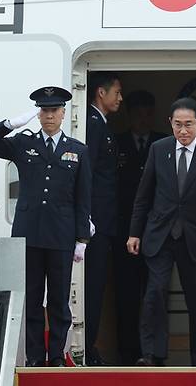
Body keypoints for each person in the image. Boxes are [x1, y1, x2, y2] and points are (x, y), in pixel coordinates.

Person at [0, 86, 92, 367]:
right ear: (38, 113)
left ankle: (56, 357)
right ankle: (35, 357)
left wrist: (82, 239)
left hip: (62, 234)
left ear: (64, 113)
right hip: (29, 233)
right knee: (33, 299)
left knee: (59, 302)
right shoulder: (22, 143)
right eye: (44, 110)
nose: (49, 115)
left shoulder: (77, 150)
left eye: (54, 110)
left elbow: (83, 197)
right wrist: (10, 124)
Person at [127, 97, 196, 367]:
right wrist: (134, 232)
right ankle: (153, 354)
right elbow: (144, 195)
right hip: (160, 234)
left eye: (188, 125)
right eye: (177, 125)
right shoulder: (158, 149)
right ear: (170, 124)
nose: (183, 131)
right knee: (155, 292)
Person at [113, 90, 166, 365]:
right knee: (127, 294)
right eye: (138, 114)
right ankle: (127, 352)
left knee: (156, 293)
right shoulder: (117, 143)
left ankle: (155, 352)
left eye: (148, 114)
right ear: (129, 115)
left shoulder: (162, 143)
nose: (143, 120)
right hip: (124, 231)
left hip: (159, 231)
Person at [85, 71, 123, 365]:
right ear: (101, 92)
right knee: (93, 284)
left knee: (98, 283)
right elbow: (90, 171)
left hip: (103, 219)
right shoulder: (92, 123)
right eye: (117, 92)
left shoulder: (102, 124)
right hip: (96, 220)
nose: (120, 98)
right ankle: (87, 347)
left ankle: (89, 344)